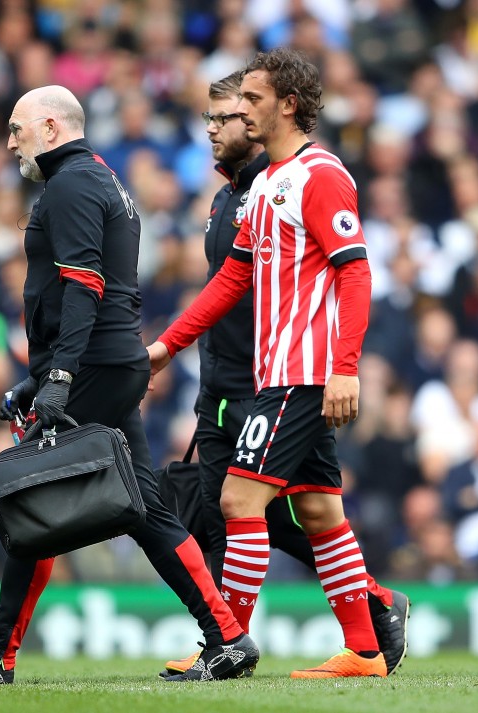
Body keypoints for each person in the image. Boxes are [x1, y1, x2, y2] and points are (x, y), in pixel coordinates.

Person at [0, 85, 259, 684]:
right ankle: (227, 636)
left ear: (51, 127)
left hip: (93, 366)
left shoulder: (71, 184)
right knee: (145, 507)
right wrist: (36, 377)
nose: (10, 140)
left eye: (17, 128)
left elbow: (84, 286)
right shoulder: (101, 179)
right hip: (112, 362)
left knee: (35, 496)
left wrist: (59, 376)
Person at [148, 49, 390, 679]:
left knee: (237, 500)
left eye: (252, 99)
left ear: (288, 104)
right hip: (278, 374)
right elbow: (231, 280)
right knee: (316, 512)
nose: (241, 111)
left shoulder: (321, 174)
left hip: (303, 375)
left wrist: (345, 366)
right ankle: (366, 649)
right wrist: (165, 348)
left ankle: (227, 643)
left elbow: (355, 272)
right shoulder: (263, 189)